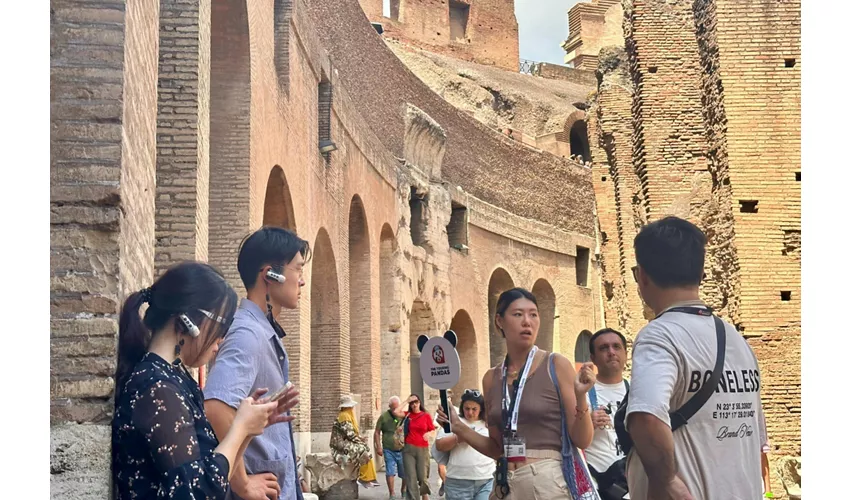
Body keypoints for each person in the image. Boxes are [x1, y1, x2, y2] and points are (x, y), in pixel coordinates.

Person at [112, 261, 297, 500]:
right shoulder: (156, 387)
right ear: (188, 320)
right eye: (222, 326)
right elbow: (196, 492)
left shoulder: (174, 377)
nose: (221, 339)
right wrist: (240, 427)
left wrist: (249, 428)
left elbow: (209, 463)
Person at [625, 216, 766, 499]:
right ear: (702, 274)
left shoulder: (660, 335)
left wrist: (668, 483)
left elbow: (646, 417)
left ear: (642, 276)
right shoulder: (737, 340)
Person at [438, 288, 598, 499]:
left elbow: (583, 440)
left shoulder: (555, 364)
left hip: (546, 482)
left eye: (533, 314)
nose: (527, 321)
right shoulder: (491, 378)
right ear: (499, 321)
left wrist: (581, 396)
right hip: (505, 483)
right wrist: (459, 427)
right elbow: (496, 448)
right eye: (518, 314)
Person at [205, 226, 310, 500]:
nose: (301, 281)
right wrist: (242, 483)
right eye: (297, 270)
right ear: (270, 274)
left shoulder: (261, 329)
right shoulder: (248, 334)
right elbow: (216, 406)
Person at [583, 328, 630, 500]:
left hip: (633, 481)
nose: (611, 352)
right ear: (593, 358)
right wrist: (586, 422)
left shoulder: (637, 391)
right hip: (598, 485)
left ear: (625, 353)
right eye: (604, 348)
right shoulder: (583, 393)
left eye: (616, 347)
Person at [434, 389, 495, 500]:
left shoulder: (489, 424)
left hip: (485, 479)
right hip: (458, 481)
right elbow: (439, 445)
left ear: (481, 409)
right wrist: (459, 438)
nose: (470, 412)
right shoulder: (454, 422)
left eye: (474, 409)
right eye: (467, 408)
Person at [330, 395, 380, 488]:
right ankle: (364, 478)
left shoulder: (346, 415)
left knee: (364, 448)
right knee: (362, 449)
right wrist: (360, 441)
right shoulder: (344, 416)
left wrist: (360, 438)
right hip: (340, 444)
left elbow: (350, 433)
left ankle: (368, 477)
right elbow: (350, 434)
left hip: (345, 442)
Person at [402, 393, 436, 500]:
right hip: (408, 449)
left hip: (422, 449)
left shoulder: (425, 416)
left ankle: (424, 495)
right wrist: (406, 400)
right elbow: (396, 411)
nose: (414, 405)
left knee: (422, 477)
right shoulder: (408, 415)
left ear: (419, 402)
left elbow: (433, 429)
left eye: (416, 402)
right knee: (411, 478)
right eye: (412, 403)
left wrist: (429, 434)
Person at [374, 396, 409, 499]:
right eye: (393, 408)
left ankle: (404, 489)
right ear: (389, 407)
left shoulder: (404, 416)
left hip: (402, 449)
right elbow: (376, 432)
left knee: (405, 472)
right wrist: (378, 447)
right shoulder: (383, 417)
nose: (395, 410)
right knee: (390, 471)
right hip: (388, 449)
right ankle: (392, 493)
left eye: (397, 407)